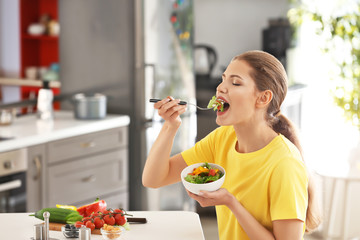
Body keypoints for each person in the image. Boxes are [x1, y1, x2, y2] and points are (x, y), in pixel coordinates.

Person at [142, 50, 321, 240]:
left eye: (235, 82)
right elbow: (153, 179)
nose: (220, 88)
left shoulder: (285, 164)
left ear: (263, 98)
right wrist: (170, 126)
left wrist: (231, 203)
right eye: (223, 79)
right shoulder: (223, 138)